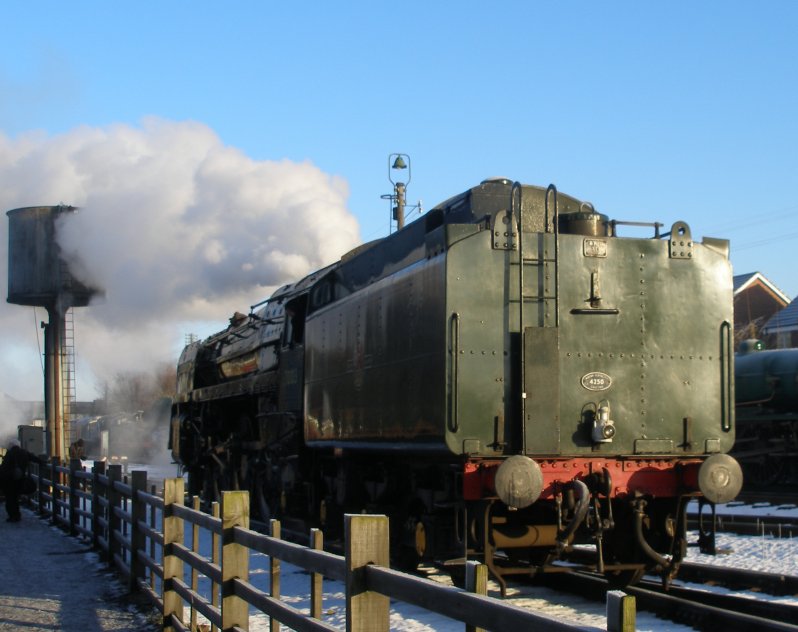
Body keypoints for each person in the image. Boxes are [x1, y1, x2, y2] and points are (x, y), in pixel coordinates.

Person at [0, 439, 45, 523]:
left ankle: (12, 516)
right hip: (20, 480)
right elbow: (34, 458)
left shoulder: (9, 454)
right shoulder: (24, 452)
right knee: (16, 498)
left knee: (10, 499)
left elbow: (3, 468)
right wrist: (42, 462)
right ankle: (17, 515)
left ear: (11, 446)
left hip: (9, 481)